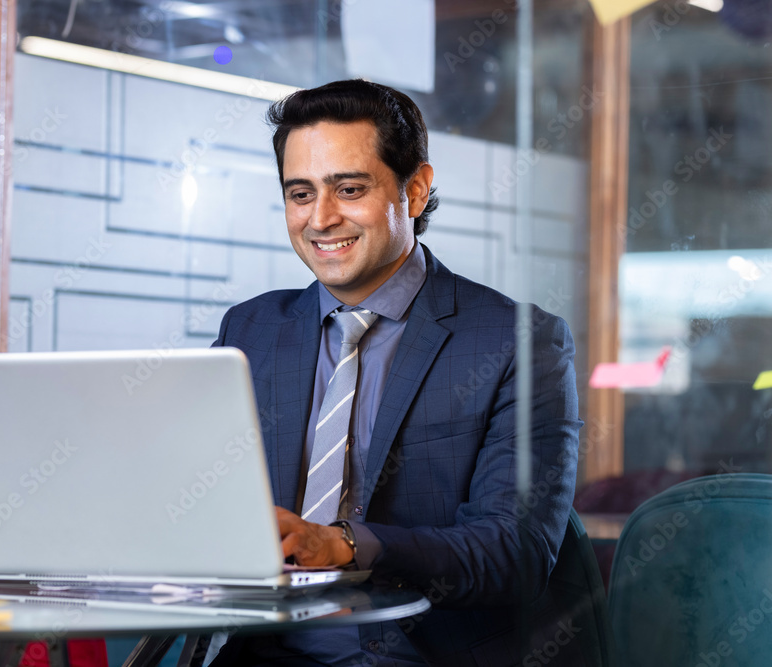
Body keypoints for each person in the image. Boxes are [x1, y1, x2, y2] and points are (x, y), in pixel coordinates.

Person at [210, 79, 582, 666]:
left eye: (349, 189)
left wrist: (343, 545)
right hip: (264, 654)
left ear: (414, 190)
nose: (321, 219)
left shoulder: (518, 342)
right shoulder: (250, 332)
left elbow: (516, 550)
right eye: (300, 194)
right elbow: (200, 502)